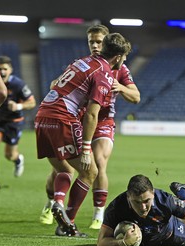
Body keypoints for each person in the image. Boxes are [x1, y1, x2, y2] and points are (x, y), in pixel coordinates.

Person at [39, 25, 141, 230]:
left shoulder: (82, 62)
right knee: (88, 170)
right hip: (67, 119)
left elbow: (135, 97)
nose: (94, 45)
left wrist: (120, 88)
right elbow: (92, 113)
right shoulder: (102, 72)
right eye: (91, 42)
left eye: (98, 42)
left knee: (68, 168)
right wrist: (86, 149)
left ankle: (67, 207)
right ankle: (66, 220)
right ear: (118, 55)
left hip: (44, 115)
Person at [97, 174, 185, 246]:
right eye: (137, 202)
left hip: (170, 232)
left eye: (147, 201)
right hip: (152, 233)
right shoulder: (116, 207)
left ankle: (182, 192)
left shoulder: (164, 200)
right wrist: (122, 243)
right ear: (128, 197)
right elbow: (101, 242)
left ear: (153, 194)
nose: (143, 207)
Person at [0, 56, 36, 190]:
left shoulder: (18, 84)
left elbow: (32, 102)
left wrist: (18, 106)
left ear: (10, 70)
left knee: (9, 155)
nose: (2, 72)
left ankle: (18, 160)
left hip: (13, 122)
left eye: (5, 69)